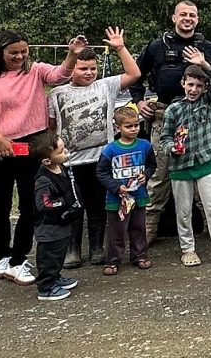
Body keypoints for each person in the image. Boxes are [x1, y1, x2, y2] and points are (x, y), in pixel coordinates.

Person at [130, 1, 211, 243]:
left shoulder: (209, 48)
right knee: (160, 178)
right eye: (183, 14)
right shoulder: (157, 47)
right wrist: (138, 100)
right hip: (165, 116)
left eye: (192, 15)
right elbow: (135, 74)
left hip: (200, 117)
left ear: (198, 19)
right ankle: (147, 233)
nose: (187, 18)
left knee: (203, 176)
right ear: (173, 18)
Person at [0, 30, 86, 287]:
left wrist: (71, 55)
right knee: (1, 205)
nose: (19, 56)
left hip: (32, 146)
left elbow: (60, 75)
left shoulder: (34, 70)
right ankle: (1, 255)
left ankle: (18, 258)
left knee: (30, 204)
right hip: (2, 146)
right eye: (13, 52)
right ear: (1, 52)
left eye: (23, 51)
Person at [47, 27, 141, 268]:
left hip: (101, 159)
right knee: (74, 205)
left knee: (98, 205)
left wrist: (120, 47)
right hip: (70, 161)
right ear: (72, 69)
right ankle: (73, 250)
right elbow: (51, 127)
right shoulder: (57, 93)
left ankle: (98, 247)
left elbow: (134, 73)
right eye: (82, 68)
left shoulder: (105, 86)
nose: (89, 73)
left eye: (92, 68)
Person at [159, 47, 211, 269]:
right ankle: (188, 249)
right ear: (183, 83)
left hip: (206, 163)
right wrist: (172, 147)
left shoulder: (208, 102)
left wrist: (204, 64)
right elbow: (164, 138)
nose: (194, 89)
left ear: (204, 88)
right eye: (190, 84)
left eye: (199, 86)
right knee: (183, 210)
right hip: (180, 166)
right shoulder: (173, 109)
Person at [96, 106, 156, 275]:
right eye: (129, 126)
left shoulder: (145, 146)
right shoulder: (110, 150)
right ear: (118, 128)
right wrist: (116, 187)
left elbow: (152, 165)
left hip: (138, 196)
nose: (134, 129)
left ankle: (140, 256)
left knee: (138, 227)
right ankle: (113, 260)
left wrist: (146, 175)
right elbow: (101, 172)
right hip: (117, 199)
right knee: (117, 231)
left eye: (136, 125)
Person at [31, 132, 81, 301]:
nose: (65, 152)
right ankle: (46, 287)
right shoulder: (43, 180)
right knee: (49, 257)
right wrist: (64, 202)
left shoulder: (63, 168)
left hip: (63, 223)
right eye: (60, 151)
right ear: (47, 161)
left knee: (59, 254)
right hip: (49, 228)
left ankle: (55, 277)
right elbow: (44, 204)